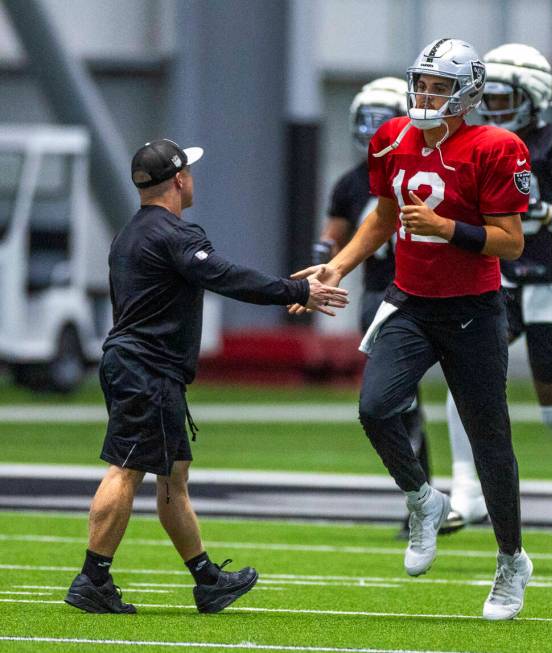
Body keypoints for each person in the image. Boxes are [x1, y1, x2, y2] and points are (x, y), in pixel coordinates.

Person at [291, 38, 533, 620]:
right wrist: (339, 265)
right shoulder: (392, 138)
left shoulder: (497, 147)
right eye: (421, 83)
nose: (425, 95)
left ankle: (510, 561)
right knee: (376, 408)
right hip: (411, 302)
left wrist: (449, 229)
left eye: (439, 86)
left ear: (466, 93)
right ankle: (423, 501)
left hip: (474, 308)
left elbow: (511, 240)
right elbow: (381, 218)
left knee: (489, 438)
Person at [64, 139, 348, 614]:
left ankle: (207, 579)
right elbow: (225, 275)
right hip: (147, 369)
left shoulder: (129, 234)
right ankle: (92, 578)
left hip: (139, 365)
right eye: (189, 172)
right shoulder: (177, 236)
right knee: (127, 467)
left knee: (173, 473)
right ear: (179, 180)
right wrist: (297, 290)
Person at [445, 43, 552, 556]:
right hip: (500, 283)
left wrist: (549, 215)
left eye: (504, 98)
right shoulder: (476, 143)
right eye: (488, 98)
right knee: (465, 382)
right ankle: (466, 489)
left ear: (534, 97)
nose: (494, 108)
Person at [312, 77, 433, 539]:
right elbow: (335, 234)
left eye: (381, 121)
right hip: (377, 294)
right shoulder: (351, 181)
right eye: (365, 120)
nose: (371, 131)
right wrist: (323, 255)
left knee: (410, 403)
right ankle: (421, 495)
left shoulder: (421, 166)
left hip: (423, 292)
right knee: (395, 403)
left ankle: (450, 494)